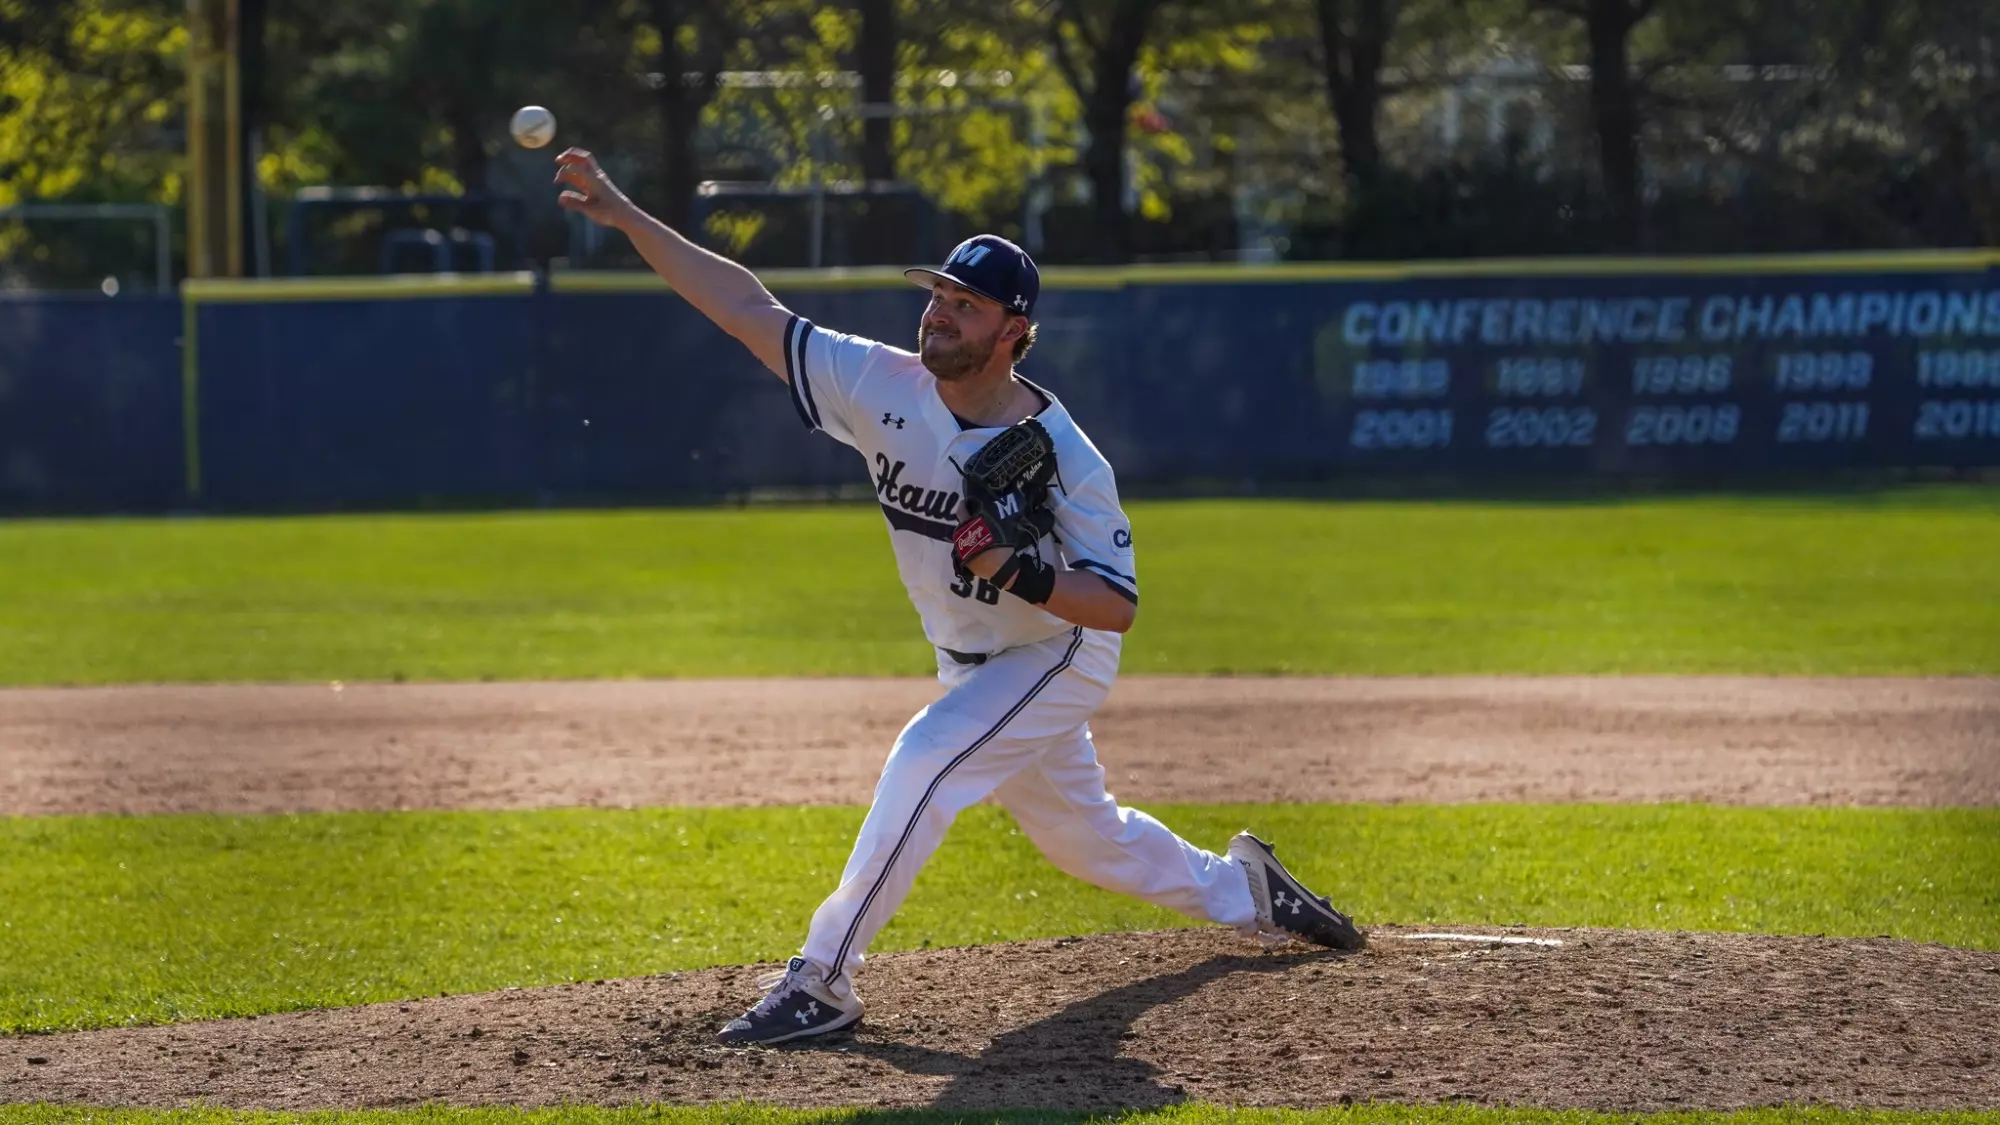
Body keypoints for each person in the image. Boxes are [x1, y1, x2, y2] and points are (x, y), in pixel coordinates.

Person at [552, 148, 1365, 1047]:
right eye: (936, 294)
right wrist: (627, 215)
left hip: (1056, 651)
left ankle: (822, 978)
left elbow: (1117, 607)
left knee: (925, 760)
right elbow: (748, 308)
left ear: (1014, 329)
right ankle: (1250, 890)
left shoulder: (1064, 454)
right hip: (968, 658)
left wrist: (1022, 573)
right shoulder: (880, 383)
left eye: (964, 304)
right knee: (1085, 840)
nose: (937, 312)